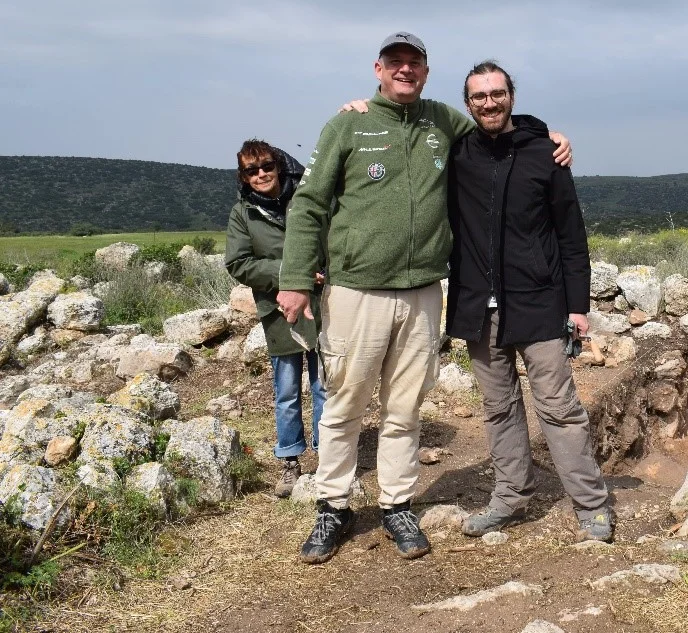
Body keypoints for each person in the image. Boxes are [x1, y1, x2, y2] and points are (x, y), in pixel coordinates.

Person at [276, 32, 571, 564]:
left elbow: (495, 123)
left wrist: (545, 133)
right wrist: (296, 278)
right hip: (355, 289)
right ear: (379, 68)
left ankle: (396, 504)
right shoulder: (349, 122)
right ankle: (333, 505)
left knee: (404, 407)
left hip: (421, 294)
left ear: (427, 72)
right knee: (344, 404)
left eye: (414, 63)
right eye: (395, 63)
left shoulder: (442, 121)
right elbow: (310, 204)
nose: (404, 70)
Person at [446, 61, 614, 542]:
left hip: (539, 304)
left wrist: (577, 307)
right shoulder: (459, 155)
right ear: (468, 104)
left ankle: (591, 505)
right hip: (478, 309)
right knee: (498, 409)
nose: (489, 103)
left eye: (497, 94)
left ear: (512, 98)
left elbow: (571, 235)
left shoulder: (546, 154)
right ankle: (511, 496)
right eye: (479, 97)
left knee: (559, 410)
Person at [224, 140, 326, 499]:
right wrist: (289, 271)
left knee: (323, 385)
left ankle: (327, 457)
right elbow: (238, 263)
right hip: (279, 310)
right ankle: (290, 460)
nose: (261, 174)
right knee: (285, 391)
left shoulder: (306, 199)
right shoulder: (243, 214)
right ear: (244, 177)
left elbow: (328, 238)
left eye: (266, 166)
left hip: (320, 304)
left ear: (278, 166)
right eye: (252, 170)